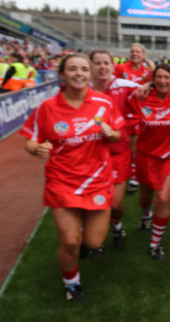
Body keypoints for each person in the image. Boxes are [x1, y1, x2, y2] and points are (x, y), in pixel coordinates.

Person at [20, 53, 123, 302]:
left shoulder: (104, 102)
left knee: (94, 242)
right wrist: (37, 148)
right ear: (63, 74)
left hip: (97, 180)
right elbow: (30, 140)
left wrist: (112, 133)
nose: (79, 73)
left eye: (84, 69)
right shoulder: (48, 107)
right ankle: (72, 283)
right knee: (69, 241)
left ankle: (82, 236)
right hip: (62, 181)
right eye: (73, 69)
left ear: (90, 74)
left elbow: (118, 134)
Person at [126, 63, 170, 261]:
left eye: (167, 78)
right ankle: (146, 215)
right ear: (153, 79)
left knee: (163, 199)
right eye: (159, 77)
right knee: (145, 197)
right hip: (146, 156)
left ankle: (155, 243)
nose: (163, 81)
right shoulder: (141, 97)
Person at [90, 49, 141, 248]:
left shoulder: (124, 85)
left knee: (117, 204)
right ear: (91, 65)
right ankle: (96, 237)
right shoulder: (82, 88)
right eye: (98, 63)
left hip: (119, 151)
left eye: (106, 63)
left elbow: (151, 88)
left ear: (113, 66)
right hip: (90, 154)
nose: (102, 67)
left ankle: (117, 226)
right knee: (97, 200)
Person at [115, 43, 154, 193]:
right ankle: (122, 172)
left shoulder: (148, 71)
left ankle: (133, 177)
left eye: (138, 52)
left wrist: (153, 69)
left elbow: (158, 83)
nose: (135, 54)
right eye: (132, 51)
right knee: (122, 146)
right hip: (122, 112)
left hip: (140, 113)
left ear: (144, 55)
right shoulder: (121, 69)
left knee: (135, 147)